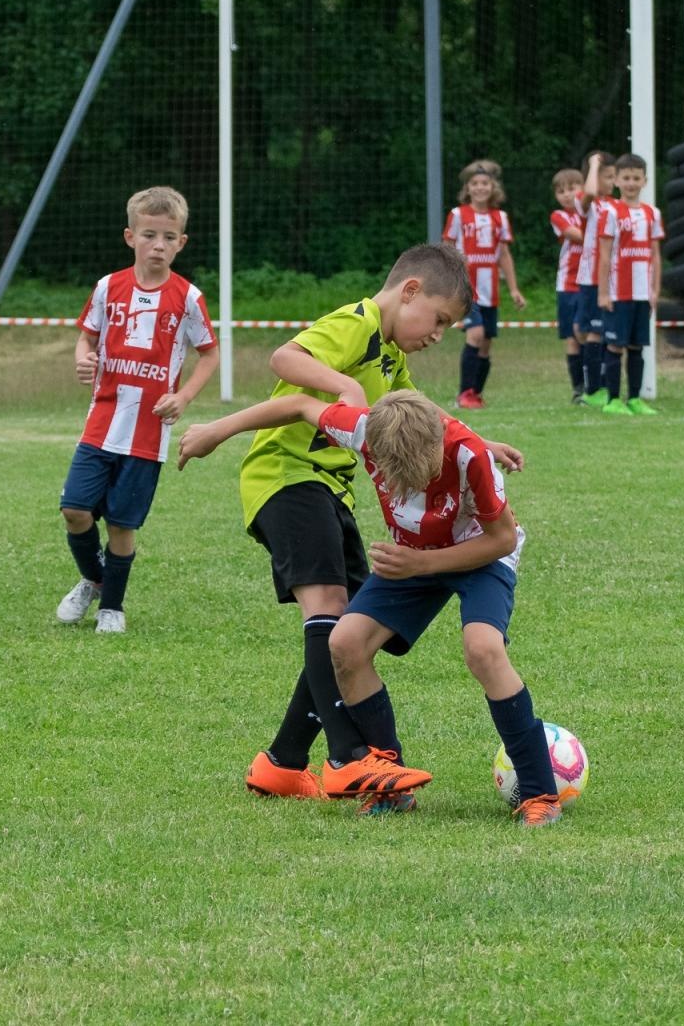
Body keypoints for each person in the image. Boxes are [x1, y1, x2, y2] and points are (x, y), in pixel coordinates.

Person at [177, 243, 523, 812]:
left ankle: (283, 763)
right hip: (287, 476)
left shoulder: (389, 357)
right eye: (438, 319)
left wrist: (478, 443)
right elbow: (284, 361)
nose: (440, 334)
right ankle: (346, 759)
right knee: (331, 606)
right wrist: (227, 426)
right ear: (409, 289)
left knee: (350, 633)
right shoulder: (357, 324)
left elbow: (415, 418)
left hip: (329, 489)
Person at [241, 390, 570, 827]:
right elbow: (300, 404)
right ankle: (389, 781)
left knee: (483, 649)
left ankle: (540, 793)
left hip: (480, 554)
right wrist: (218, 431)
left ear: (439, 444)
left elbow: (502, 539)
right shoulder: (364, 430)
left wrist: (423, 563)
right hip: (414, 556)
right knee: (345, 643)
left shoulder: (471, 456)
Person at [55, 186, 220, 634]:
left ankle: (112, 607)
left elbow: (210, 353)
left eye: (169, 237)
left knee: (122, 527)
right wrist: (81, 356)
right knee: (75, 508)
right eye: (150, 235)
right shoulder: (109, 287)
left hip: (148, 433)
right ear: (131, 237)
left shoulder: (188, 298)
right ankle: (93, 579)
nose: (159, 245)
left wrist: (183, 397)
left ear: (181, 242)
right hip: (102, 422)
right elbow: (86, 336)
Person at [448, 160, 526, 409]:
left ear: (493, 188)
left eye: (485, 183)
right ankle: (464, 393)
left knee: (486, 343)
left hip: (490, 290)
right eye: (475, 184)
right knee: (476, 334)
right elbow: (448, 249)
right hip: (467, 289)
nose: (480, 188)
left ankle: (476, 393)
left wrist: (513, 289)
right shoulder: (458, 215)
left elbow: (503, 255)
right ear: (467, 188)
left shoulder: (499, 218)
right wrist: (449, 281)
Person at [595, 153, 665, 415]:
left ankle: (634, 398)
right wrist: (603, 292)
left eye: (636, 178)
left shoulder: (652, 213)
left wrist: (655, 290)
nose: (631, 183)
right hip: (618, 291)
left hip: (642, 292)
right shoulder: (611, 211)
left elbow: (655, 254)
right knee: (615, 345)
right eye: (626, 178)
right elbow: (604, 254)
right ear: (617, 181)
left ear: (644, 181)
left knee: (637, 346)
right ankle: (613, 400)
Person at [576, 151, 617, 405]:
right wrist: (593, 163)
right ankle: (592, 390)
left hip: (613, 280)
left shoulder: (615, 206)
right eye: (608, 176)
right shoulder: (588, 204)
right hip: (591, 278)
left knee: (606, 334)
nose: (612, 181)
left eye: (614, 177)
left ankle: (604, 385)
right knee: (593, 332)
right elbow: (590, 192)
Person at [549, 167, 587, 404]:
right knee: (572, 337)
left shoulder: (594, 212)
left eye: (572, 188)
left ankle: (595, 384)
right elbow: (579, 236)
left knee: (588, 333)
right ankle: (578, 388)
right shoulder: (559, 216)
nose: (566, 194)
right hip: (569, 284)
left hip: (591, 283)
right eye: (561, 191)